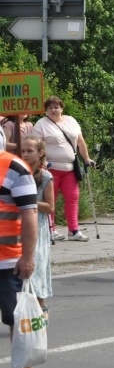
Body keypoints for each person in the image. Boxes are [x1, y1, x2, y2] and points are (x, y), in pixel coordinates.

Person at [32, 96, 96, 241]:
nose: (54, 110)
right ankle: (51, 229)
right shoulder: (41, 124)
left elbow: (80, 141)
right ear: (46, 110)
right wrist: (44, 162)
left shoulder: (71, 121)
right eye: (50, 108)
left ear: (62, 108)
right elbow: (38, 146)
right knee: (50, 200)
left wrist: (86, 158)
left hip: (70, 168)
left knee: (73, 198)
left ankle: (73, 230)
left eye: (56, 107)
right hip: (51, 168)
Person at [0, 148, 37, 350]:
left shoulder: (14, 167)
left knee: (17, 322)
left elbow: (30, 213)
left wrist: (28, 257)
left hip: (8, 261)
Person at [19, 137, 54, 316]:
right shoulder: (18, 173)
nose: (25, 154)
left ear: (40, 153)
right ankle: (26, 313)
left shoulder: (45, 176)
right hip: (20, 224)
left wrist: (30, 200)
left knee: (37, 268)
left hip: (38, 226)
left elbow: (50, 207)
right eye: (23, 151)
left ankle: (41, 308)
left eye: (29, 151)